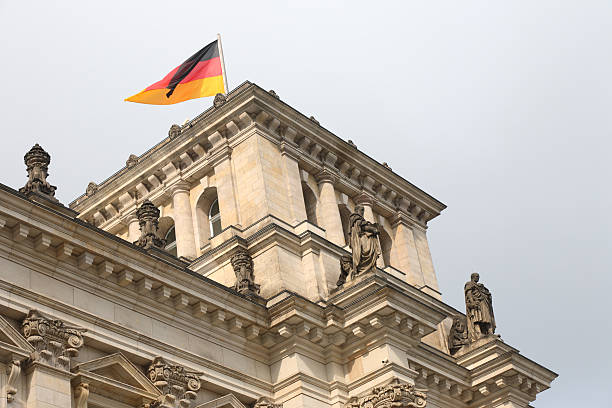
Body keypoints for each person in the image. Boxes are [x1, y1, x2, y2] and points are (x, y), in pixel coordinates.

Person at [349, 205, 381, 278]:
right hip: (362, 239)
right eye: (362, 210)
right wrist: (373, 229)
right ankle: (362, 270)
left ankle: (368, 269)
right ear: (357, 211)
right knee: (364, 253)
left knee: (370, 254)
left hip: (365, 239)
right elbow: (362, 227)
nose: (363, 212)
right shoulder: (355, 218)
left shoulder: (359, 219)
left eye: (363, 210)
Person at [464, 273, 496, 341]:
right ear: (472, 277)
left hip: (484, 303)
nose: (477, 278)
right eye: (476, 276)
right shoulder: (469, 284)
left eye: (478, 277)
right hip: (477, 303)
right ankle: (478, 333)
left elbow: (487, 294)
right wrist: (472, 302)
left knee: (487, 318)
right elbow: (469, 293)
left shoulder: (481, 286)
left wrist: (487, 294)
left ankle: (490, 332)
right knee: (477, 318)